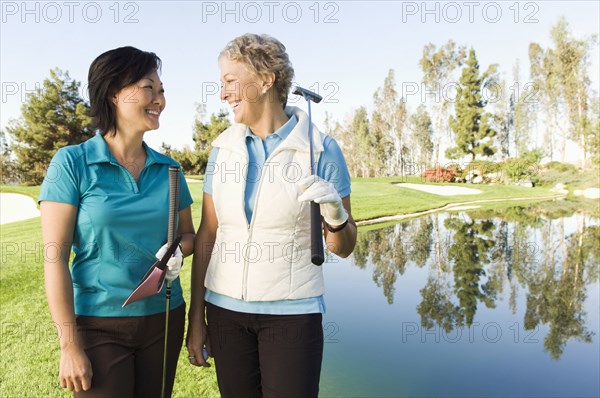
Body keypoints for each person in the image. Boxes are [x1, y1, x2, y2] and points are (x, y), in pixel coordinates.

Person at [186, 33, 357, 398]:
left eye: (230, 81)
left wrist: (336, 215)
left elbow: (343, 248)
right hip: (225, 313)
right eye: (222, 83)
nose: (223, 93)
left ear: (266, 80)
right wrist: (195, 318)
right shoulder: (223, 149)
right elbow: (207, 236)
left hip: (293, 316)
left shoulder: (321, 150)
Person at [39, 46, 195, 397]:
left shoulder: (169, 169)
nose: (159, 99)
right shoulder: (72, 163)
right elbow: (55, 259)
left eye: (162, 90)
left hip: (164, 316)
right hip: (98, 324)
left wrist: (176, 251)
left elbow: (188, 235)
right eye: (148, 88)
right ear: (113, 93)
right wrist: (69, 346)